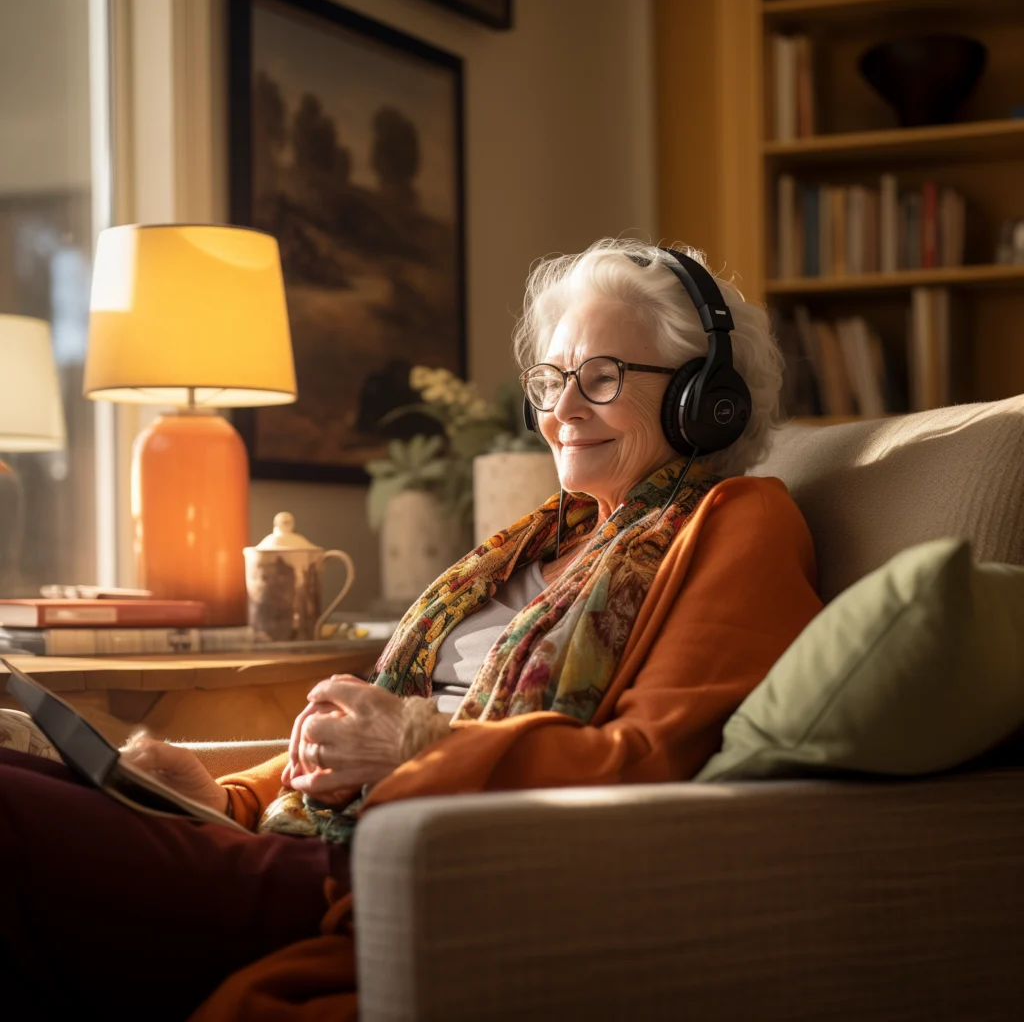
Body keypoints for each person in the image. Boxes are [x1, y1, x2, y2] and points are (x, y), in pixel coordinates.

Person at [0, 239, 823, 1021]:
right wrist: (225, 796)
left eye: (602, 378)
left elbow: (647, 767)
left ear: (705, 400)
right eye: (552, 378)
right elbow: (390, 710)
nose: (562, 410)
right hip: (301, 835)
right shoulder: (540, 538)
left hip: (376, 873)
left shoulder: (736, 525)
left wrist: (414, 743)